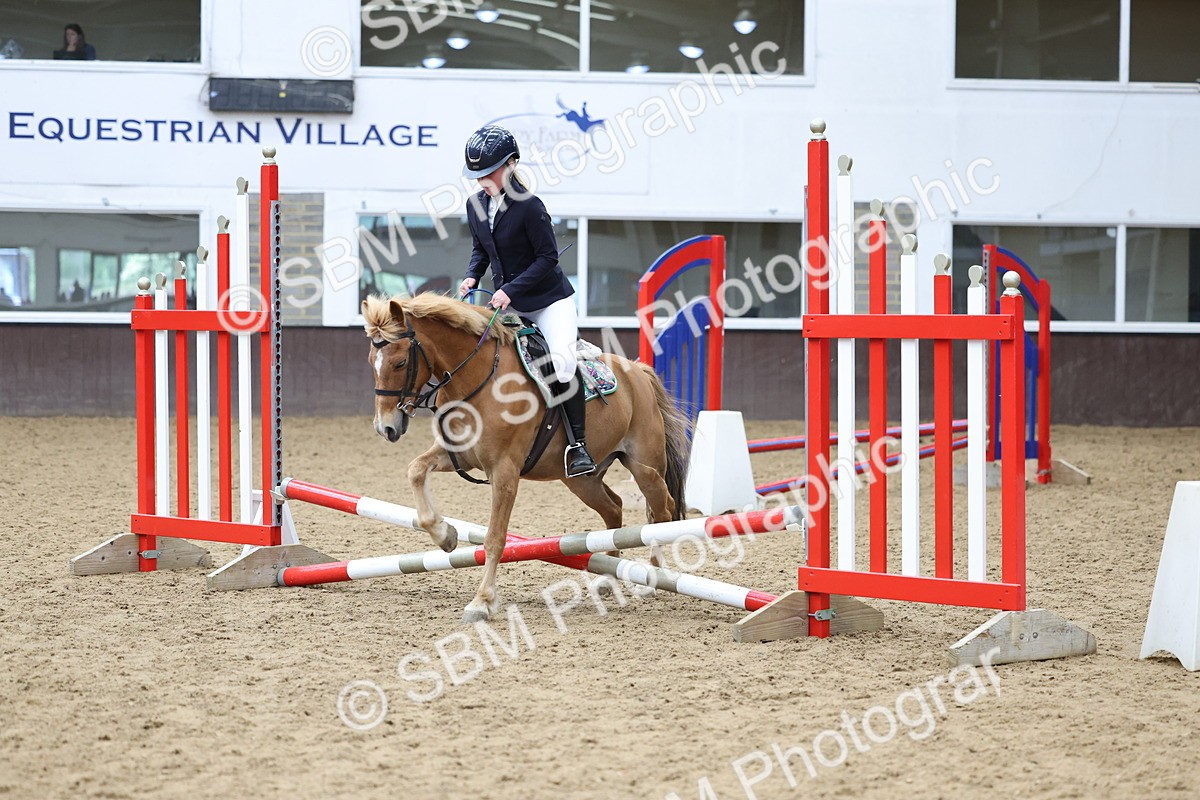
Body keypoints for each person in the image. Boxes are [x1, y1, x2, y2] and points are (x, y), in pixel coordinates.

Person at [457, 124, 596, 478]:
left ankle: (577, 446)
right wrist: (473, 274)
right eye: (477, 175)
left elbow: (548, 258)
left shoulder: (530, 207)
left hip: (548, 301)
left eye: (489, 173)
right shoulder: (476, 205)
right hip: (508, 301)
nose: (482, 181)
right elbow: (480, 249)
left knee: (562, 365)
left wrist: (511, 290)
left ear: (511, 164)